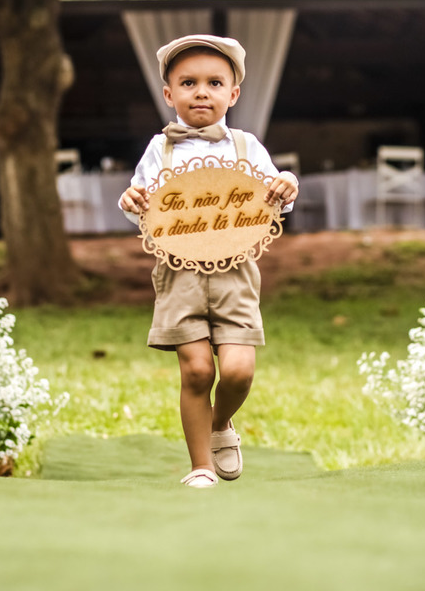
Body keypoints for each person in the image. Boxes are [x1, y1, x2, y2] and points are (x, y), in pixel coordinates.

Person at [118, 35, 298, 489]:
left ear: (233, 94)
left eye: (214, 83)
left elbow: (276, 195)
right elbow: (141, 205)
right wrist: (131, 199)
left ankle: (220, 424)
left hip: (236, 271)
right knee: (197, 370)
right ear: (169, 94)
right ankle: (201, 466)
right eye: (188, 83)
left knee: (238, 370)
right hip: (178, 272)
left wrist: (287, 182)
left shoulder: (246, 146)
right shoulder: (159, 150)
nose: (201, 92)